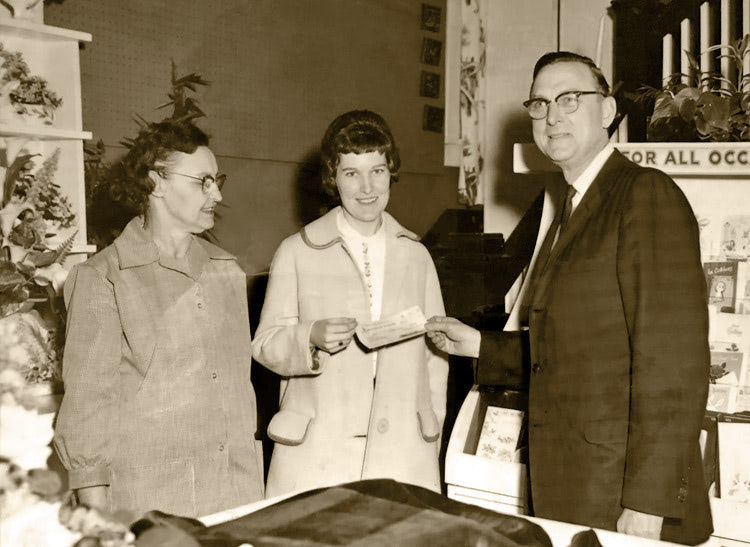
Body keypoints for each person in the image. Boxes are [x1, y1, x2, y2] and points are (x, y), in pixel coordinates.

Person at [425, 52, 712, 545]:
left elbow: (673, 364)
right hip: (575, 485)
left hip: (621, 497)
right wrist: (480, 346)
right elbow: (582, 354)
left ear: (607, 112)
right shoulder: (572, 204)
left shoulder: (644, 195)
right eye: (540, 103)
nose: (552, 115)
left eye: (570, 99)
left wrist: (646, 504)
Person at [54, 121, 264, 518]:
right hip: (152, 502)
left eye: (216, 180)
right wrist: (99, 520)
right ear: (157, 183)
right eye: (202, 181)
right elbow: (87, 407)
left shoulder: (225, 272)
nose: (216, 194)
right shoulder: (104, 278)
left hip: (235, 491)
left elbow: (237, 391)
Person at [252, 109, 448, 498]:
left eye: (377, 170)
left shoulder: (416, 255)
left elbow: (435, 357)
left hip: (403, 450)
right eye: (351, 173)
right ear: (332, 178)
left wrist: (430, 425)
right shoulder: (297, 252)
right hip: (319, 450)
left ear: (391, 170)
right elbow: (264, 344)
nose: (366, 187)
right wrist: (309, 337)